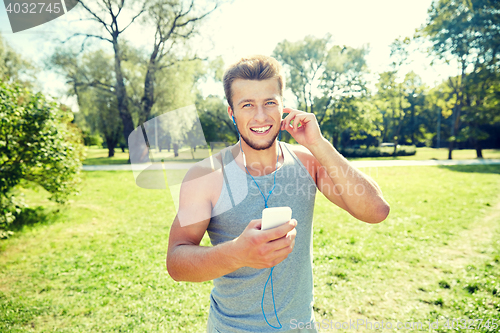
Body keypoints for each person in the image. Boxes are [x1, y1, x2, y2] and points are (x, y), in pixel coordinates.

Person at [167, 55, 390, 332]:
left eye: (269, 102)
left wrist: (318, 144)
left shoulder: (309, 162)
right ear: (231, 112)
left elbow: (376, 211)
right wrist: (237, 254)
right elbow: (176, 262)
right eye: (247, 105)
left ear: (283, 106)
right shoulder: (205, 177)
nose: (260, 116)